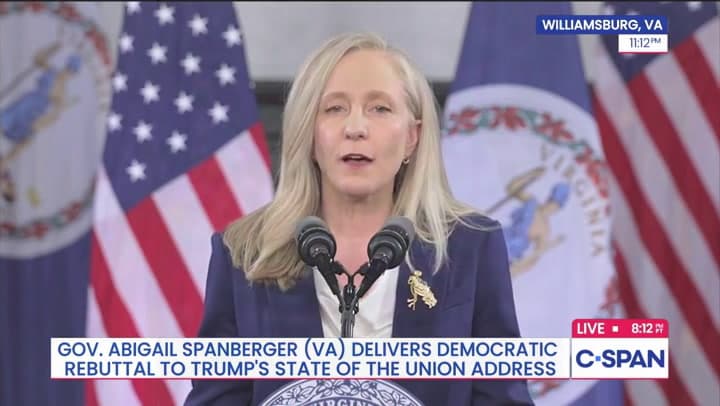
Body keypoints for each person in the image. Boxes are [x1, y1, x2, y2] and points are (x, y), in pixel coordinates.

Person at [185, 32, 533, 406]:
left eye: (379, 109)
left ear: (412, 137)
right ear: (308, 133)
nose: (355, 128)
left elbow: (502, 398)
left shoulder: (470, 246)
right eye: (334, 108)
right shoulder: (244, 252)